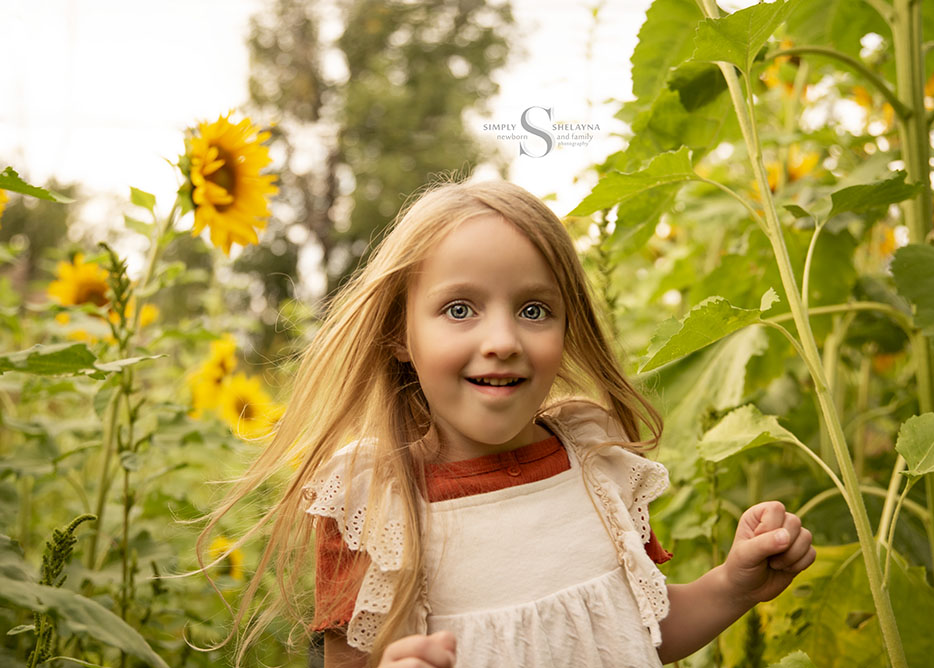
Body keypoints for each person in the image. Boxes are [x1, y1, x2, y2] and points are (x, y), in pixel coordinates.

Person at [201, 180, 815, 668]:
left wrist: (734, 585)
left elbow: (641, 633)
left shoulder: (594, 467)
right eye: (459, 309)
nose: (502, 341)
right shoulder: (373, 505)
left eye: (533, 309)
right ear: (398, 334)